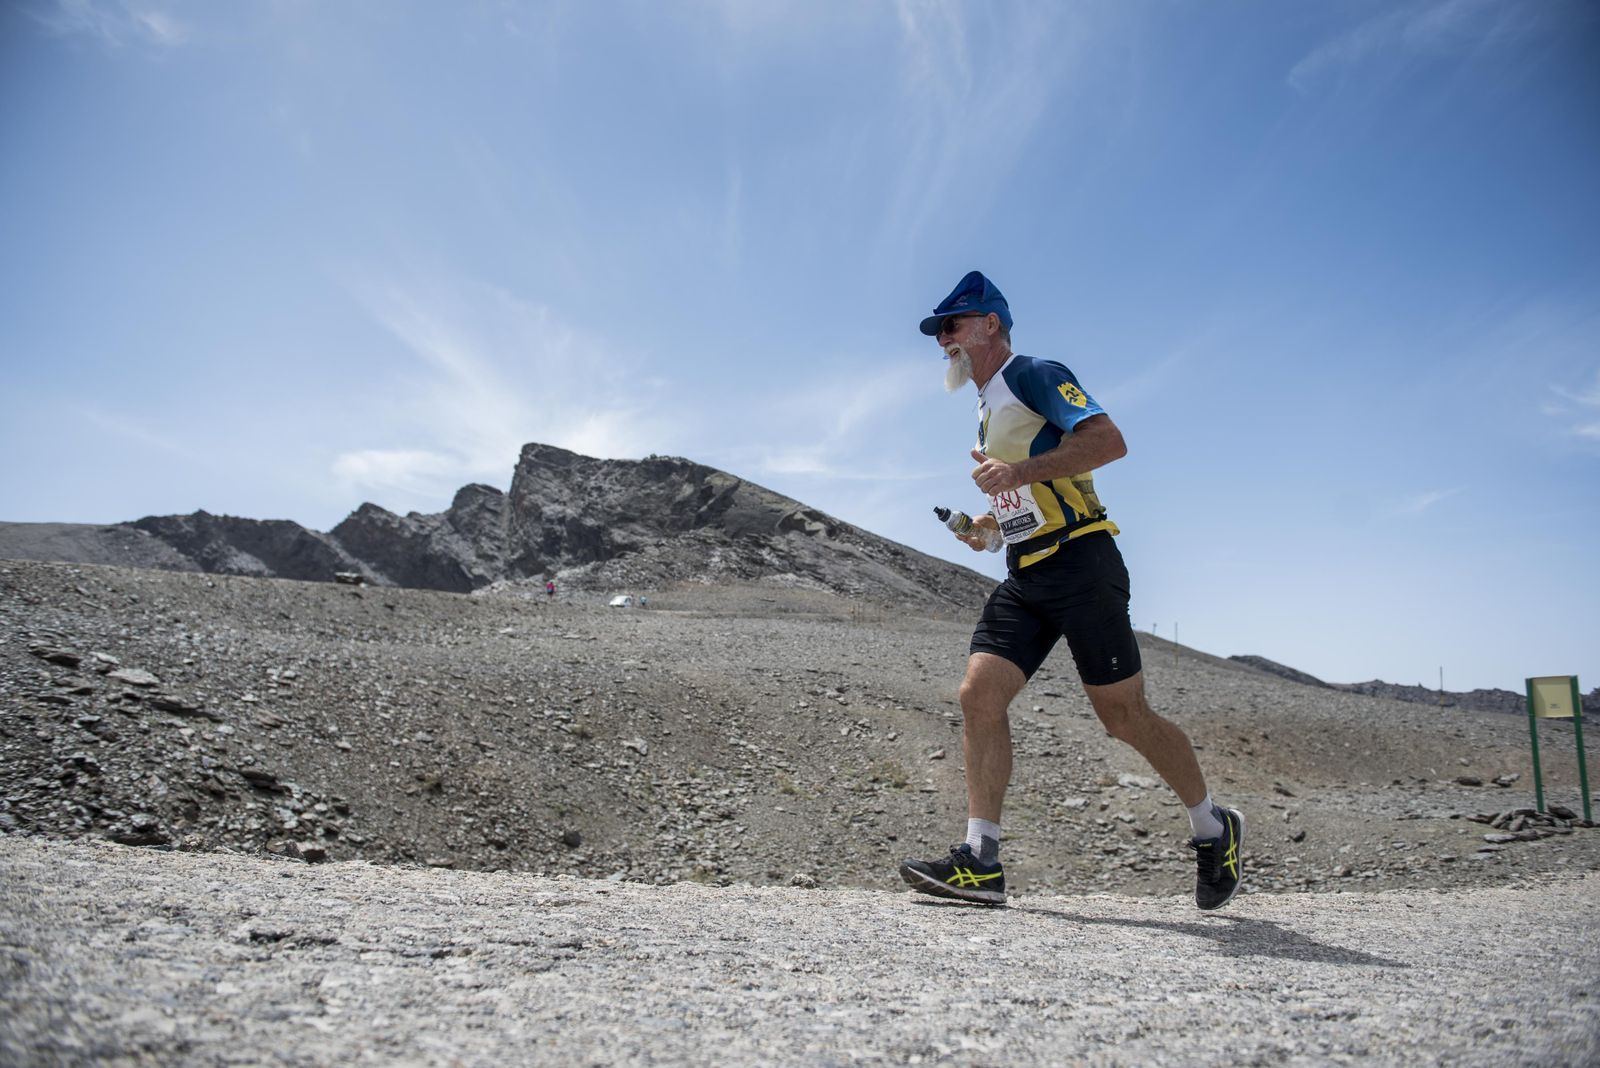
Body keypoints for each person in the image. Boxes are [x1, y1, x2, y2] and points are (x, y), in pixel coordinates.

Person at [898, 270, 1244, 910]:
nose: (941, 339)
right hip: (1027, 571)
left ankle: (1213, 827)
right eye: (938, 331)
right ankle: (981, 860)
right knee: (979, 694)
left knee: (1123, 719)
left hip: (1084, 561)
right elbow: (1024, 496)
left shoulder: (1033, 373)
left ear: (989, 325)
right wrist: (986, 527)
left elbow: (1108, 441)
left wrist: (1019, 470)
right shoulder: (986, 411)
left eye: (951, 325)